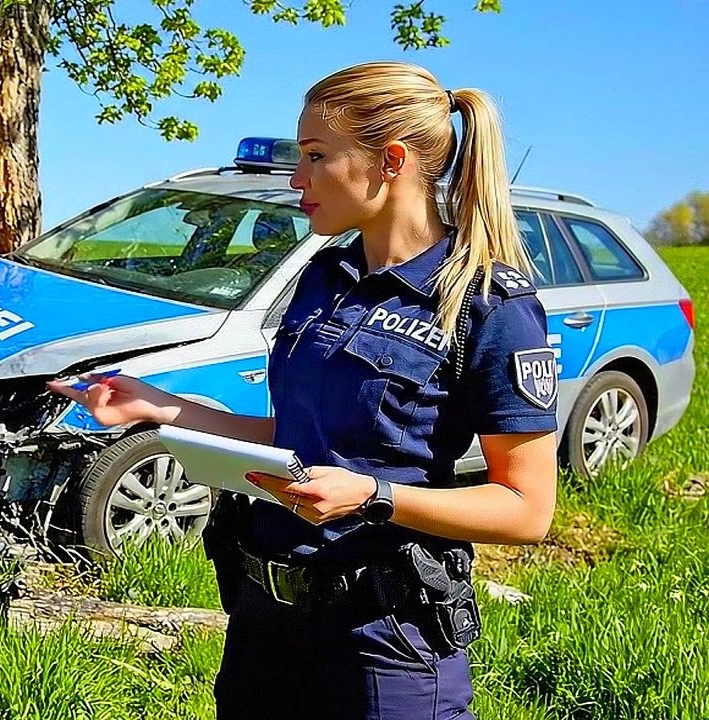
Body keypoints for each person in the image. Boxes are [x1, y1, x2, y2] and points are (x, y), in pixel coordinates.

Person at [51, 61, 558, 720]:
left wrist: (373, 498)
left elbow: (526, 509)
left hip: (385, 642)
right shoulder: (326, 277)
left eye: (317, 157)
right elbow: (293, 443)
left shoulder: (488, 304)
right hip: (266, 626)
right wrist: (158, 406)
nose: (298, 179)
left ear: (391, 161)